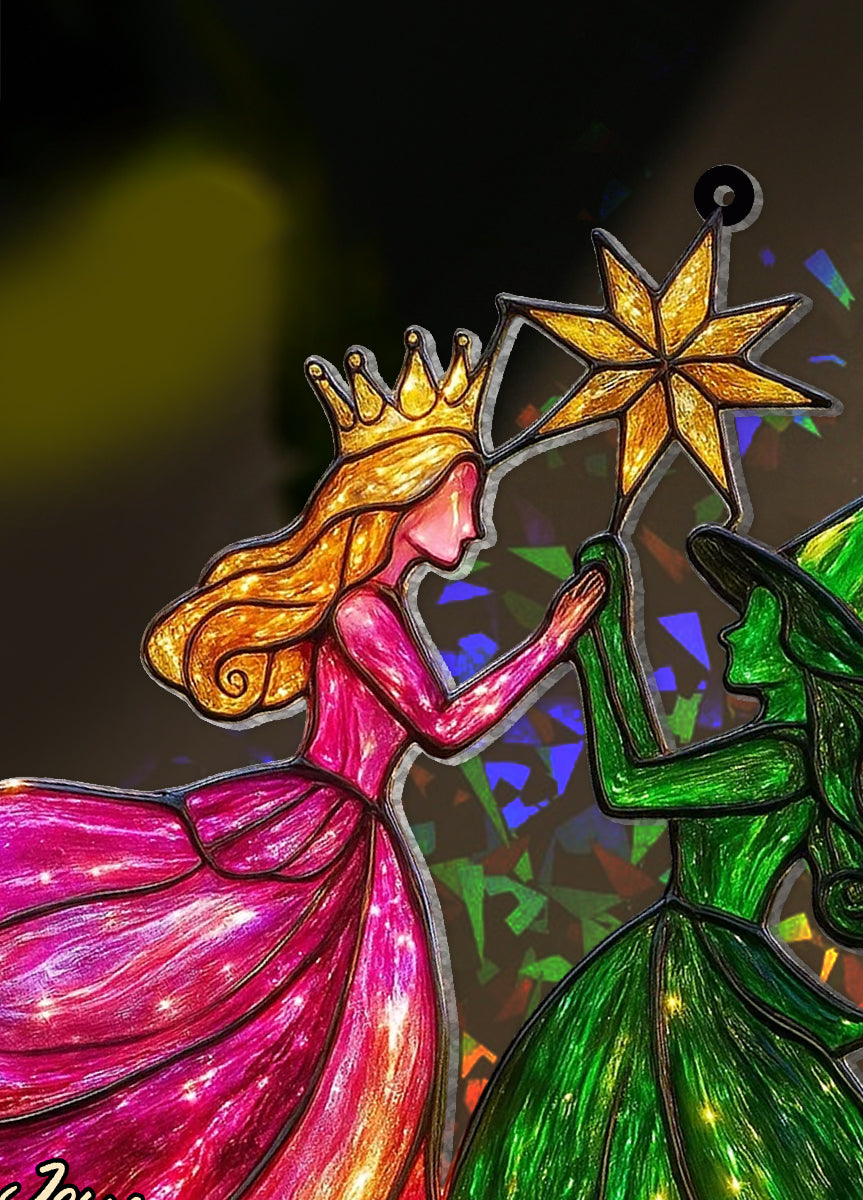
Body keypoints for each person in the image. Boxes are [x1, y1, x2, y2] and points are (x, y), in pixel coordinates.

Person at [0, 331, 605, 1200]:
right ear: (409, 491)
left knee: (326, 1044)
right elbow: (443, 725)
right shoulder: (362, 612)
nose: (476, 524)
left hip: (351, 837)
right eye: (464, 495)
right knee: (230, 1011)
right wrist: (550, 640)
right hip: (322, 827)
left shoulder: (376, 605)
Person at [448, 455, 863, 1200]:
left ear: (797, 640)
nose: (732, 630)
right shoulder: (781, 749)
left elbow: (631, 784)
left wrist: (590, 641)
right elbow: (643, 771)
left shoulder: (781, 759)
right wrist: (602, 634)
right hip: (685, 954)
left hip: (703, 971)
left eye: (754, 611)